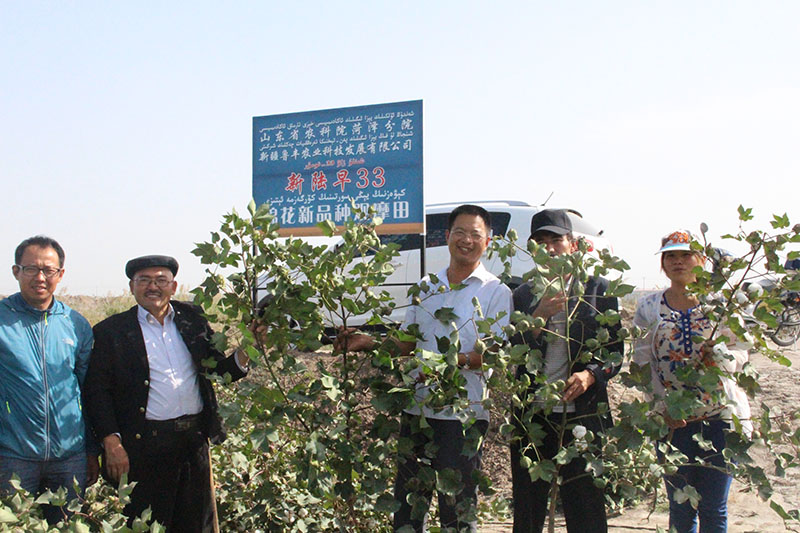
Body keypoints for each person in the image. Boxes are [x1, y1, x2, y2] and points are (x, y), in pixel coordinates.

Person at [335, 204, 513, 532]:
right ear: (447, 237)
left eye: (476, 234)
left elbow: (492, 355)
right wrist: (366, 342)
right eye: (460, 232)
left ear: (488, 241)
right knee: (408, 510)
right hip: (418, 411)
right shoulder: (426, 286)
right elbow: (408, 342)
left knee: (456, 513)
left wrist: (446, 364)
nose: (467, 240)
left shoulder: (496, 292)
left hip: (464, 417)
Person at [83, 255, 249, 532]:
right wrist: (112, 444)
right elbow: (98, 392)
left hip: (193, 444)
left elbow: (219, 371)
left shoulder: (192, 320)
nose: (153, 287)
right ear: (131, 287)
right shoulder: (111, 332)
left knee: (197, 524)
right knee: (148, 523)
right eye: (144, 280)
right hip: (144, 447)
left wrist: (249, 348)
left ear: (173, 287)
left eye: (161, 280)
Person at [509, 209, 622, 533]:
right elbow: (511, 349)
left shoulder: (598, 290)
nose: (549, 248)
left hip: (583, 416)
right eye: (540, 242)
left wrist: (590, 375)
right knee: (528, 510)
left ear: (572, 245)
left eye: (555, 240)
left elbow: (615, 354)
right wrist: (539, 315)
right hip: (533, 418)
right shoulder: (523, 294)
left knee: (586, 508)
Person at [633, 230, 750, 533]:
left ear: (701, 261)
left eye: (686, 255)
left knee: (714, 508)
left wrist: (720, 355)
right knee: (681, 511)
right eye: (670, 256)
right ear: (663, 263)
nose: (678, 261)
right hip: (673, 423)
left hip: (720, 417)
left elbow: (742, 351)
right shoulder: (648, 308)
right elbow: (643, 362)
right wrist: (662, 407)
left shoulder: (721, 305)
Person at [0, 235, 98, 523]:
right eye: (31, 269)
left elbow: (86, 391)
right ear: (16, 271)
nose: (40, 277)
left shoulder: (75, 324)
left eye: (48, 270)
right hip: (13, 457)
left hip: (70, 458)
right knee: (15, 526)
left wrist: (91, 451)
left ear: (60, 274)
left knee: (68, 526)